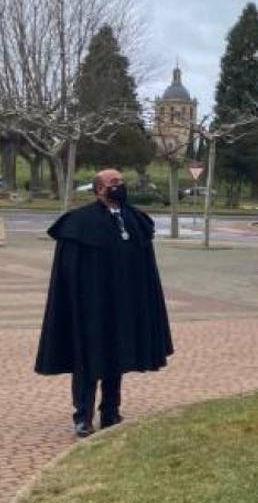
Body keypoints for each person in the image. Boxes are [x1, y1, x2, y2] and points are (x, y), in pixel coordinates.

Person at [35, 169, 174, 438]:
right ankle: (83, 416)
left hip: (122, 305)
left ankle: (111, 411)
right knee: (87, 360)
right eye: (113, 183)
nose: (119, 186)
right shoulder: (79, 223)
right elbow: (69, 271)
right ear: (99, 189)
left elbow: (145, 269)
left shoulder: (135, 221)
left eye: (121, 182)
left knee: (117, 357)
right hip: (91, 306)